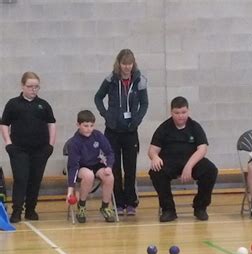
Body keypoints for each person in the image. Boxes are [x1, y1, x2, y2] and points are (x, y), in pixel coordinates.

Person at [94, 49, 148, 216]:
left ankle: (131, 202)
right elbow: (98, 97)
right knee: (114, 167)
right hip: (112, 131)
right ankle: (118, 202)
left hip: (130, 131)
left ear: (133, 64)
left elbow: (145, 104)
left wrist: (137, 120)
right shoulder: (110, 79)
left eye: (129, 64)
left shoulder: (139, 80)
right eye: (124, 64)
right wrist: (106, 114)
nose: (127, 67)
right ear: (119, 64)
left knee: (130, 168)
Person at [148, 96, 218, 222]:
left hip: (191, 162)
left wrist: (189, 166)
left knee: (210, 170)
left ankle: (200, 207)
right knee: (156, 171)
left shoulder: (195, 127)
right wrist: (154, 157)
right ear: (171, 112)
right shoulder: (164, 128)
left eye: (183, 112)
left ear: (188, 111)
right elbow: (152, 150)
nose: (181, 116)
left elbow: (202, 149)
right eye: (177, 113)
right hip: (170, 162)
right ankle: (168, 210)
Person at [0, 72, 56, 223]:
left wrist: (50, 144)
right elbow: (4, 124)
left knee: (35, 179)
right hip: (18, 149)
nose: (33, 89)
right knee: (21, 178)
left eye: (36, 87)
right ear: (22, 86)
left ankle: (31, 209)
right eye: (30, 86)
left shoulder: (43, 105)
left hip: (40, 149)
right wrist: (8, 143)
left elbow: (51, 124)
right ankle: (17, 211)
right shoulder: (13, 104)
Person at [66, 110, 116, 224]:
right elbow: (73, 166)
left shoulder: (98, 135)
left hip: (96, 164)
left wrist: (109, 166)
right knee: (88, 176)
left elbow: (109, 153)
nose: (89, 128)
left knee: (109, 177)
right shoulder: (74, 142)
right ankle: (82, 206)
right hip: (81, 166)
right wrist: (70, 189)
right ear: (78, 125)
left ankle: (105, 207)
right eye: (85, 126)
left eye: (91, 126)